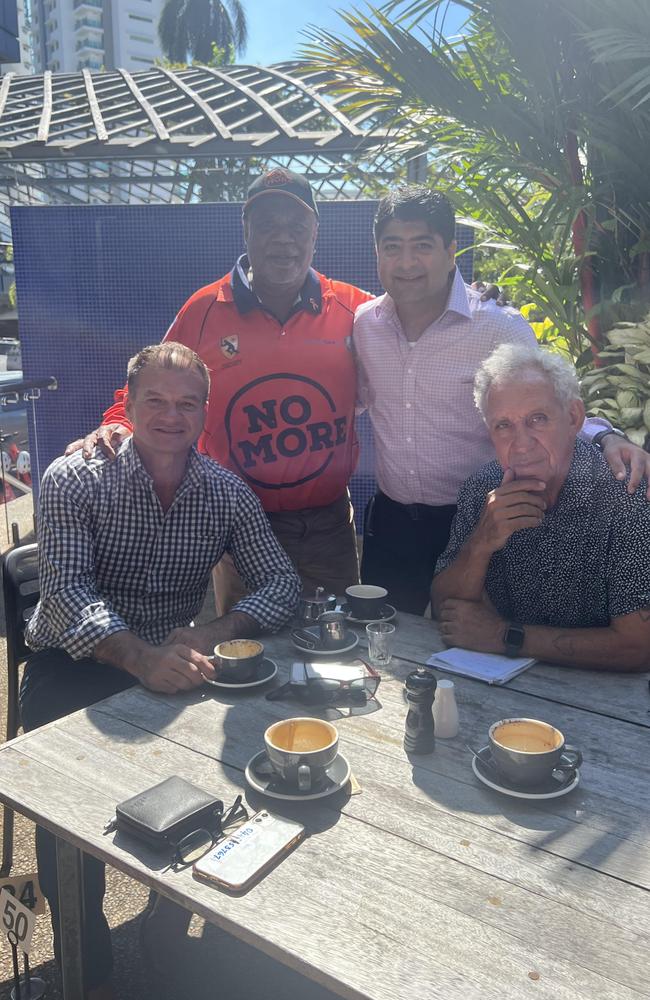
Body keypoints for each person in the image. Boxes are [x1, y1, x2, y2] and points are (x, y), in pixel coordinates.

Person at [21, 342, 300, 1000]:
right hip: (78, 663)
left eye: (186, 404)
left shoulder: (225, 491)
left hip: (175, 662)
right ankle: (85, 965)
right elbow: (63, 597)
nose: (171, 417)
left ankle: (166, 925)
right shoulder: (73, 477)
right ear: (130, 404)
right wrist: (139, 657)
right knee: (67, 811)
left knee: (225, 780)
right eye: (156, 402)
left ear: (205, 412)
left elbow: (280, 585)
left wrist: (215, 629)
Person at [68, 168, 372, 608]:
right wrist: (117, 426)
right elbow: (154, 377)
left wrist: (475, 300)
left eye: (296, 226)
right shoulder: (205, 309)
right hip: (239, 523)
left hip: (328, 527)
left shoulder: (353, 307)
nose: (283, 239)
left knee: (338, 647)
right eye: (267, 225)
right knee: (249, 652)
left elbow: (415, 328)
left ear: (315, 234)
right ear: (246, 232)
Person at [353, 186, 650, 615]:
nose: (406, 263)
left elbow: (548, 402)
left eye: (422, 246)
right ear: (377, 253)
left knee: (469, 649)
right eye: (392, 247)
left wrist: (607, 437)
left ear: (451, 250)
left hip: (480, 520)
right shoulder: (365, 326)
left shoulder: (497, 326)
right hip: (393, 523)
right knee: (390, 646)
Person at [432, 343, 650, 671]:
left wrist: (505, 636)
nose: (520, 443)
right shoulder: (483, 487)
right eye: (503, 425)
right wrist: (480, 544)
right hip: (502, 689)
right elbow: (445, 611)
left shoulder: (626, 494)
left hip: (608, 704)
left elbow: (639, 647)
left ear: (574, 417)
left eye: (538, 419)